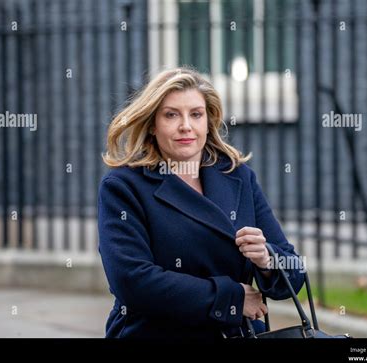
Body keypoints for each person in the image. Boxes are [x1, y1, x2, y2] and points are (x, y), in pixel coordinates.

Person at [98, 67, 305, 339]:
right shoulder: (124, 186)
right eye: (171, 115)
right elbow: (131, 281)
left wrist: (266, 259)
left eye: (196, 114)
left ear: (209, 121)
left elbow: (294, 271)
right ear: (152, 124)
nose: (186, 125)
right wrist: (231, 299)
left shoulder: (237, 175)